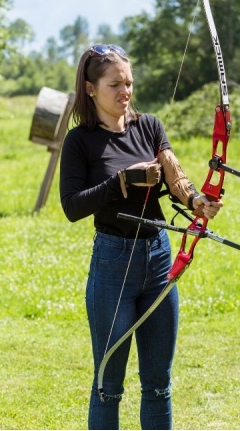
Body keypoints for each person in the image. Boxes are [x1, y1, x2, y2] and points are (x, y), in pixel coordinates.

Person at [59, 44, 223, 430]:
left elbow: (173, 174)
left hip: (158, 259)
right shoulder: (79, 141)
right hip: (114, 263)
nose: (125, 91)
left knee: (158, 384)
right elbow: (72, 207)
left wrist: (198, 200)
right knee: (108, 385)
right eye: (114, 84)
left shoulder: (149, 125)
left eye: (129, 83)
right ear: (90, 88)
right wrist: (121, 182)